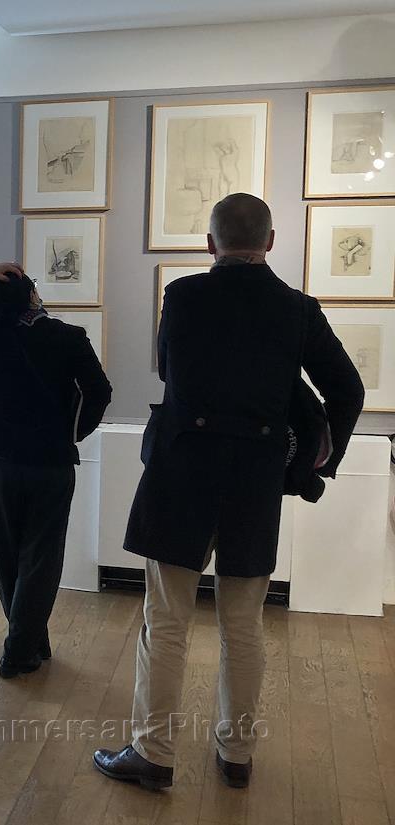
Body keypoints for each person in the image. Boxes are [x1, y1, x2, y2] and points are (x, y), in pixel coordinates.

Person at [94, 194, 365, 791]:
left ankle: (153, 754)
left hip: (181, 475)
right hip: (253, 482)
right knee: (243, 626)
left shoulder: (183, 296)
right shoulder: (298, 309)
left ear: (210, 244)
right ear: (270, 242)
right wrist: (320, 462)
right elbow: (348, 390)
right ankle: (236, 755)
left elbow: (169, 371)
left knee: (166, 621)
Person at [0, 259, 112, 678]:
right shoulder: (68, 337)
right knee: (41, 558)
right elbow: (100, 391)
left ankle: (23, 643)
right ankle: (25, 644)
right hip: (51, 464)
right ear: (33, 296)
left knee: (6, 556)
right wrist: (73, 432)